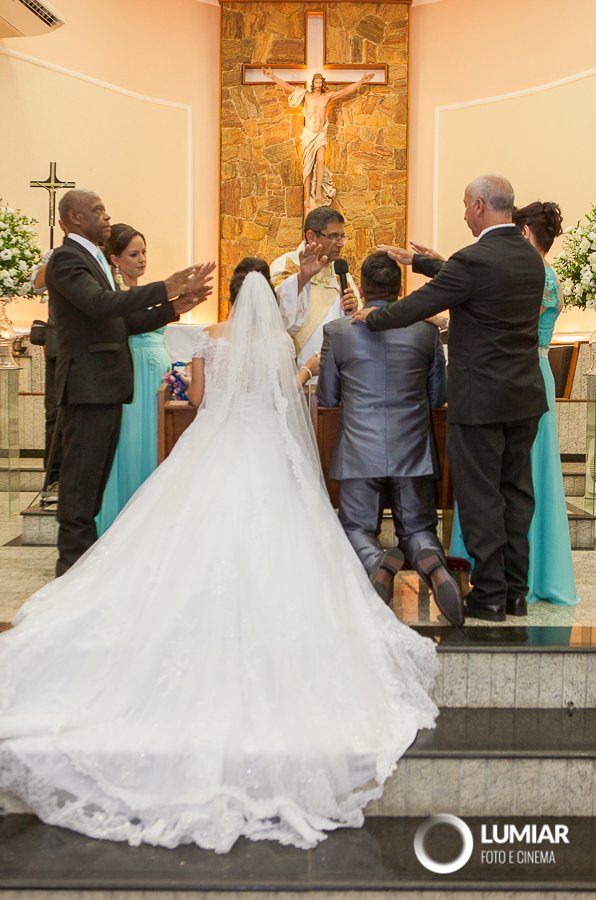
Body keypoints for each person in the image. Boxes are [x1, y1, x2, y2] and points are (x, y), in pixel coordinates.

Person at [0, 261, 438, 854]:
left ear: (231, 296)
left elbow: (202, 400)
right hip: (266, 445)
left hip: (217, 441)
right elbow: (286, 403)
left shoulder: (210, 338)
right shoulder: (279, 343)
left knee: (177, 534)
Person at [352, 175, 548, 623]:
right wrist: (421, 262)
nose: (463, 214)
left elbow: (420, 305)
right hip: (524, 399)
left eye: (464, 205)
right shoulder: (529, 257)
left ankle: (490, 595)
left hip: (480, 402)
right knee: (516, 496)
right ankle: (515, 593)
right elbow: (474, 280)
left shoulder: (474, 259)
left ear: (479, 206)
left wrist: (374, 317)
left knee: (481, 498)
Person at [46, 189, 214, 576]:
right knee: (80, 487)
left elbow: (120, 323)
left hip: (105, 388)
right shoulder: (67, 259)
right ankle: (70, 569)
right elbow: (101, 305)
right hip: (88, 388)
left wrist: (174, 307)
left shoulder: (92, 259)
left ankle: (83, 569)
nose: (106, 216)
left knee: (92, 486)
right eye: (98, 210)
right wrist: (165, 288)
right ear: (75, 218)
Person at [317, 253, 463, 626]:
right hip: (412, 448)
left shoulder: (338, 332)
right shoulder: (426, 332)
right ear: (400, 290)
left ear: (363, 289)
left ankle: (377, 561)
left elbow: (327, 398)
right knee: (418, 528)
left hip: (358, 451)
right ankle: (435, 567)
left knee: (356, 528)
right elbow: (438, 396)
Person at [450, 202, 580, 607]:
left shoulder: (536, 275)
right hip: (532, 375)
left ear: (523, 233)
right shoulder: (543, 274)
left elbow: (500, 317)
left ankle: (503, 579)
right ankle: (521, 578)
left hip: (518, 376)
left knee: (509, 477)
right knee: (522, 480)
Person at [95, 225, 173, 535]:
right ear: (114, 259)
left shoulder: (147, 293)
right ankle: (122, 525)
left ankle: (154, 526)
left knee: (157, 443)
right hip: (133, 375)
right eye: (133, 254)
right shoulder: (113, 297)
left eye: (144, 253)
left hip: (159, 378)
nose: (142, 260)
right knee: (131, 445)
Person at [261, 69, 374, 210]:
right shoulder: (305, 95)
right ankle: (307, 197)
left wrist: (362, 81)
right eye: (316, 82)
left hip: (320, 134)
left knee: (321, 160)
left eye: (320, 82)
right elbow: (288, 87)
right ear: (313, 83)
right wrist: (273, 77)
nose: (318, 84)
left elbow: (345, 91)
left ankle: (318, 191)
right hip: (309, 134)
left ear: (322, 83)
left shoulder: (327, 97)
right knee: (307, 166)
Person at [271, 208, 359, 369]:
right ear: (311, 236)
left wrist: (352, 311)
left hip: (337, 366)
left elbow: (356, 323)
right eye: (333, 236)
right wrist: (302, 279)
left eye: (342, 237)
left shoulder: (341, 273)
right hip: (298, 369)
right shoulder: (286, 265)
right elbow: (273, 314)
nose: (340, 243)